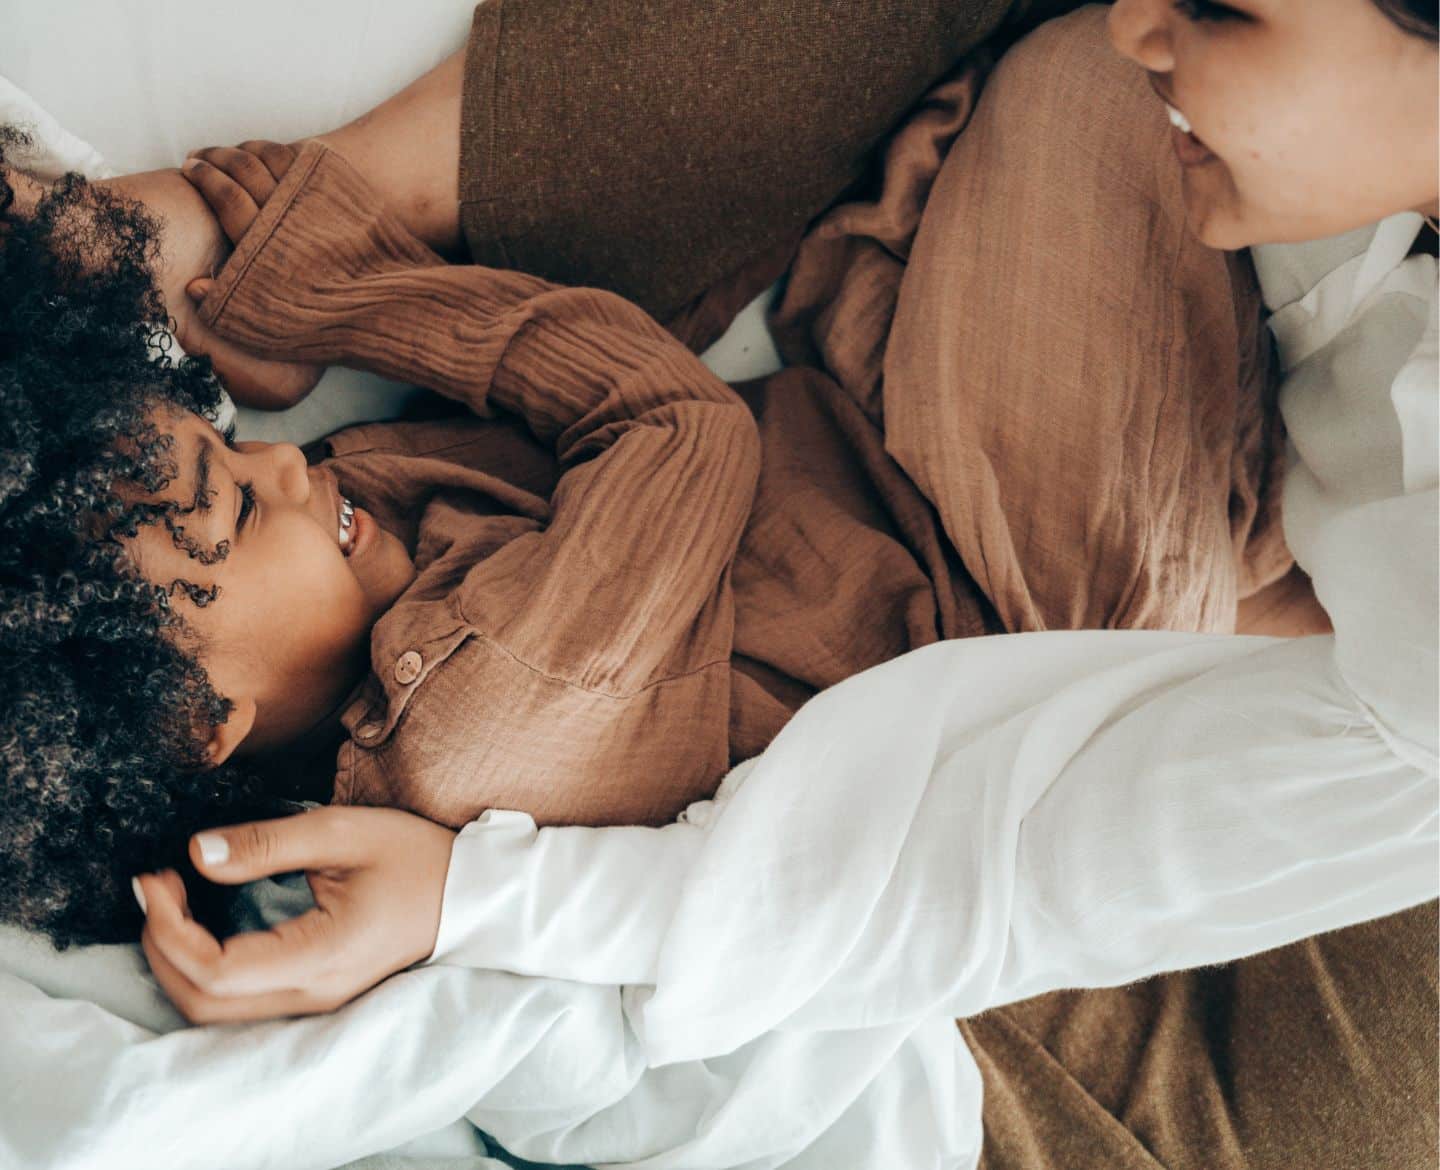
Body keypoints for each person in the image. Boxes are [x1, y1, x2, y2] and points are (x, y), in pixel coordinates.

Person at [6, 1, 1438, 1166]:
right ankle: (1238, 564)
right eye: (240, 503)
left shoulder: (366, 599)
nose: (294, 464)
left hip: (862, 453)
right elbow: (666, 421)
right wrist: (330, 287)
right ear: (203, 722)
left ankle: (1242, 541)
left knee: (1030, 102)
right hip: (998, 584)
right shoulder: (485, 702)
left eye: (234, 446)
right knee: (1090, 89)